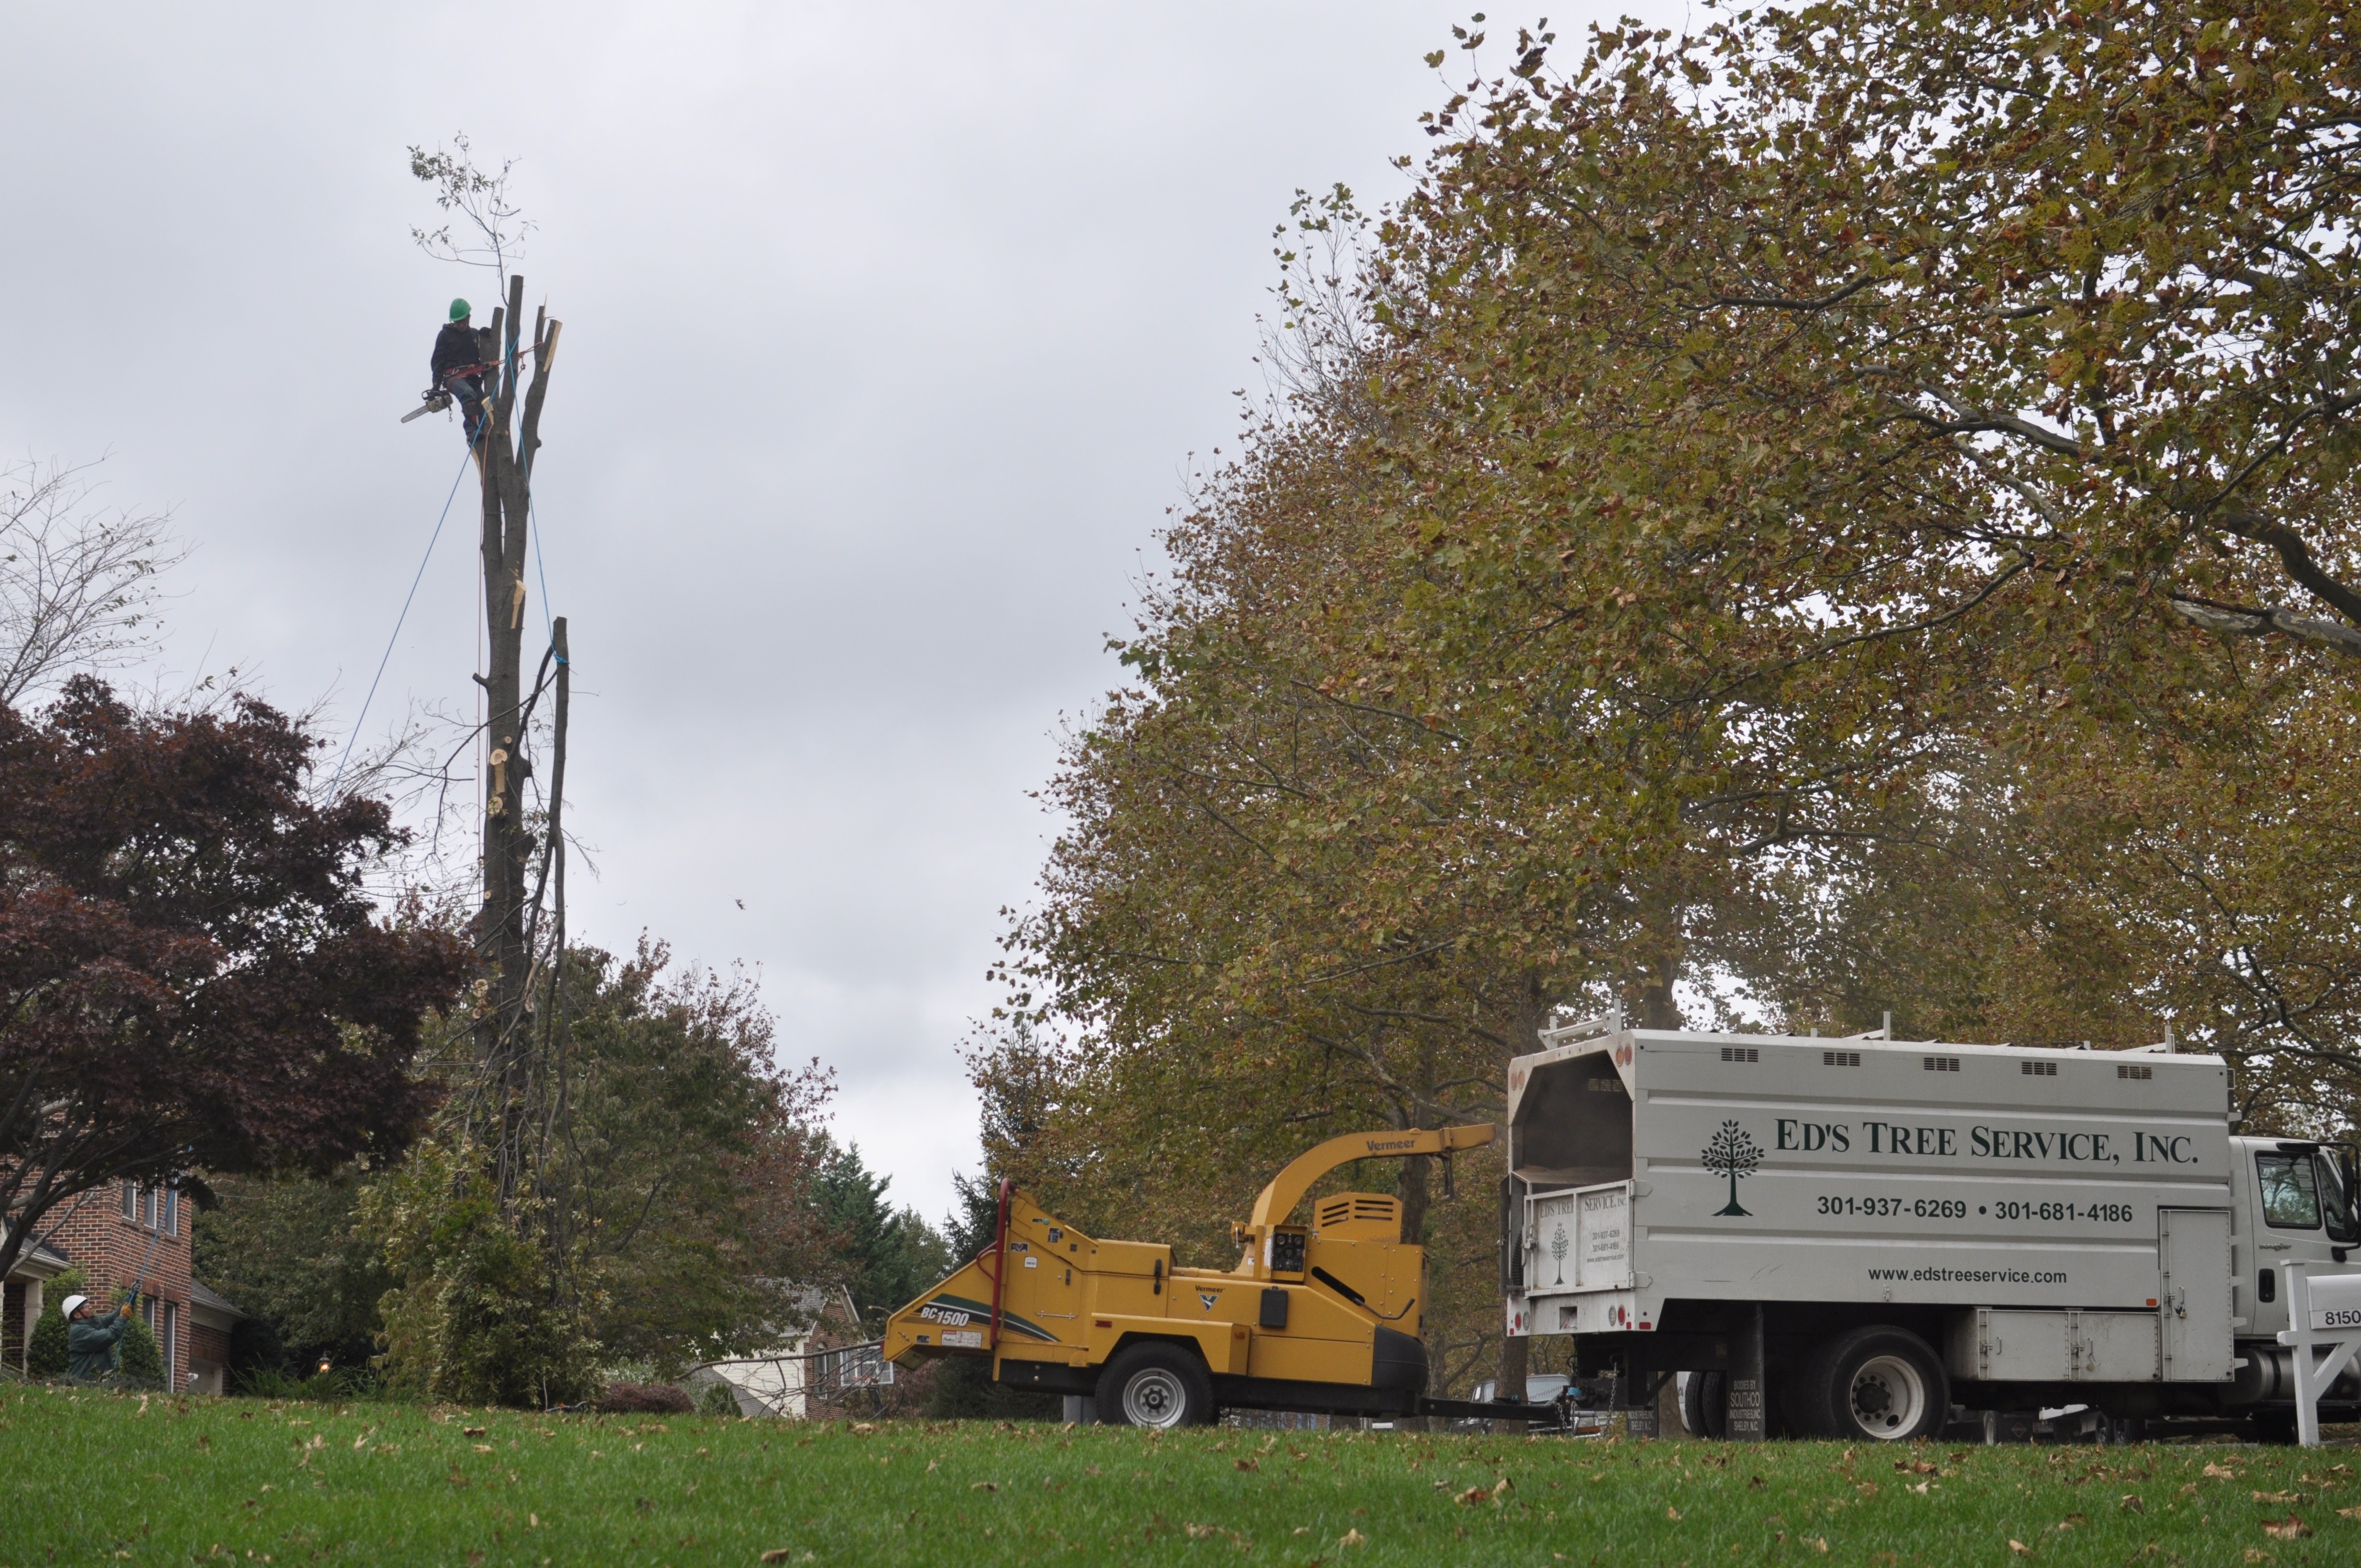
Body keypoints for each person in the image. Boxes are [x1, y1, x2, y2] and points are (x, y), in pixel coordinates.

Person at [431, 298, 493, 445]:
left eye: (464, 321)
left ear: (469, 318)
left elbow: (484, 354)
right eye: (458, 322)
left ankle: (485, 435)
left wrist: (485, 336)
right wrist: (436, 384)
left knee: (485, 406)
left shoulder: (473, 335)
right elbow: (437, 362)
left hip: (472, 379)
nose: (461, 325)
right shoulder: (445, 335)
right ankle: (471, 432)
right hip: (453, 378)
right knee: (468, 395)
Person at [63, 1292, 133, 1379]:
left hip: (99, 1381)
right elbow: (110, 1336)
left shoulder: (94, 1323)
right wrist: (123, 1318)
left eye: (88, 1304)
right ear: (77, 1315)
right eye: (86, 1306)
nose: (91, 1307)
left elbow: (115, 1316)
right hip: (84, 1383)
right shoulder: (78, 1331)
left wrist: (131, 1296)